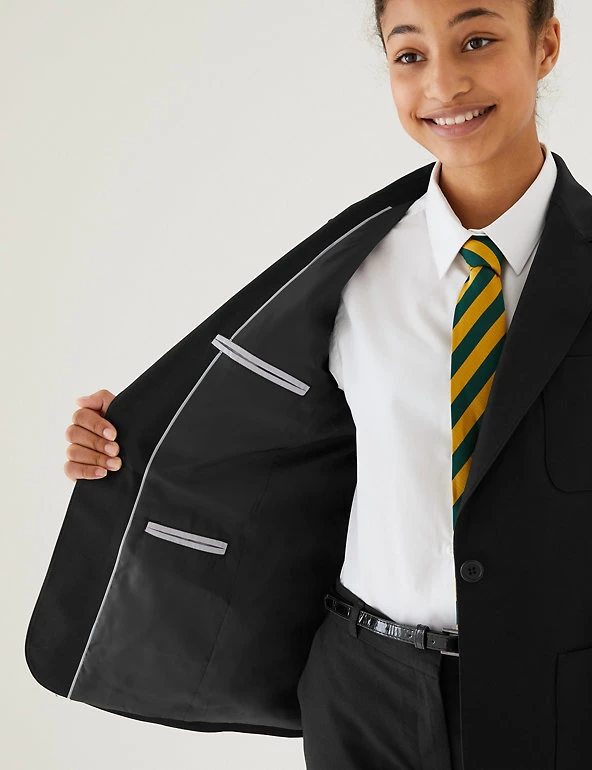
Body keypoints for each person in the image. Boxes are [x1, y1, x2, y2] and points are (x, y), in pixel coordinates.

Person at [56, 1, 571, 768]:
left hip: (553, 693)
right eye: (410, 55)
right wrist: (121, 436)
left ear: (545, 45)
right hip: (363, 690)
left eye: (477, 40)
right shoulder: (352, 267)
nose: (444, 83)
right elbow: (258, 439)